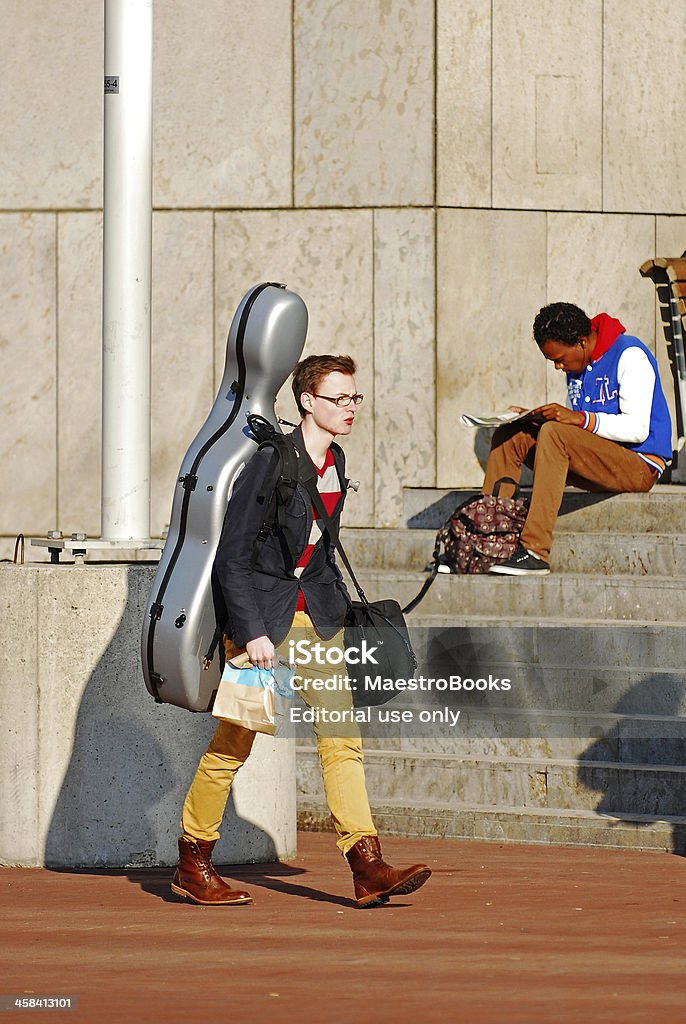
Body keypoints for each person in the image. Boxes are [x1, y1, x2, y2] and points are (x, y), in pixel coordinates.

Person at [171, 354, 431, 907]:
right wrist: (251, 632)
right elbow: (231, 558)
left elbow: (319, 549)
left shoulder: (336, 458)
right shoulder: (271, 462)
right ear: (307, 402)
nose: (350, 408)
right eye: (339, 399)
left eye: (355, 398)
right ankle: (194, 861)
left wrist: (331, 607)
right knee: (232, 744)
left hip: (318, 619)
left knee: (342, 742)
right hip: (262, 623)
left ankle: (367, 865)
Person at [484, 302, 672, 575]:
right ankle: (487, 539)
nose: (559, 367)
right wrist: (533, 417)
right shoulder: (578, 365)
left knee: (555, 433)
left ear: (582, 342)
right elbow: (579, 429)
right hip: (599, 459)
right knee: (511, 436)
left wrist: (578, 419)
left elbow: (637, 428)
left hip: (639, 465)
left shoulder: (629, 354)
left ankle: (535, 549)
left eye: (559, 359)